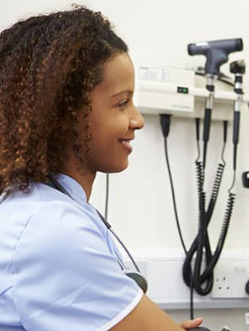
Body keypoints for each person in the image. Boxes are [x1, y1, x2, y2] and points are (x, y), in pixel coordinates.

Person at [0, 6, 203, 331]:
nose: (137, 120)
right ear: (66, 114)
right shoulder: (49, 230)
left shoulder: (47, 207)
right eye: (122, 103)